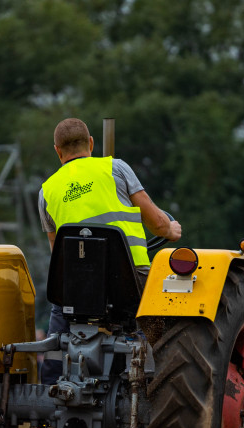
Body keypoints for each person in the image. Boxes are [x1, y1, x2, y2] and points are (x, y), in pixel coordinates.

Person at [38, 117, 181, 384]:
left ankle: (52, 382)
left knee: (59, 315)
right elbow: (158, 223)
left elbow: (57, 253)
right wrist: (170, 230)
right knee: (166, 329)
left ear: (57, 151)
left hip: (78, 291)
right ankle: (163, 380)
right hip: (131, 284)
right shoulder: (116, 168)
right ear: (91, 143)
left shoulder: (46, 192)